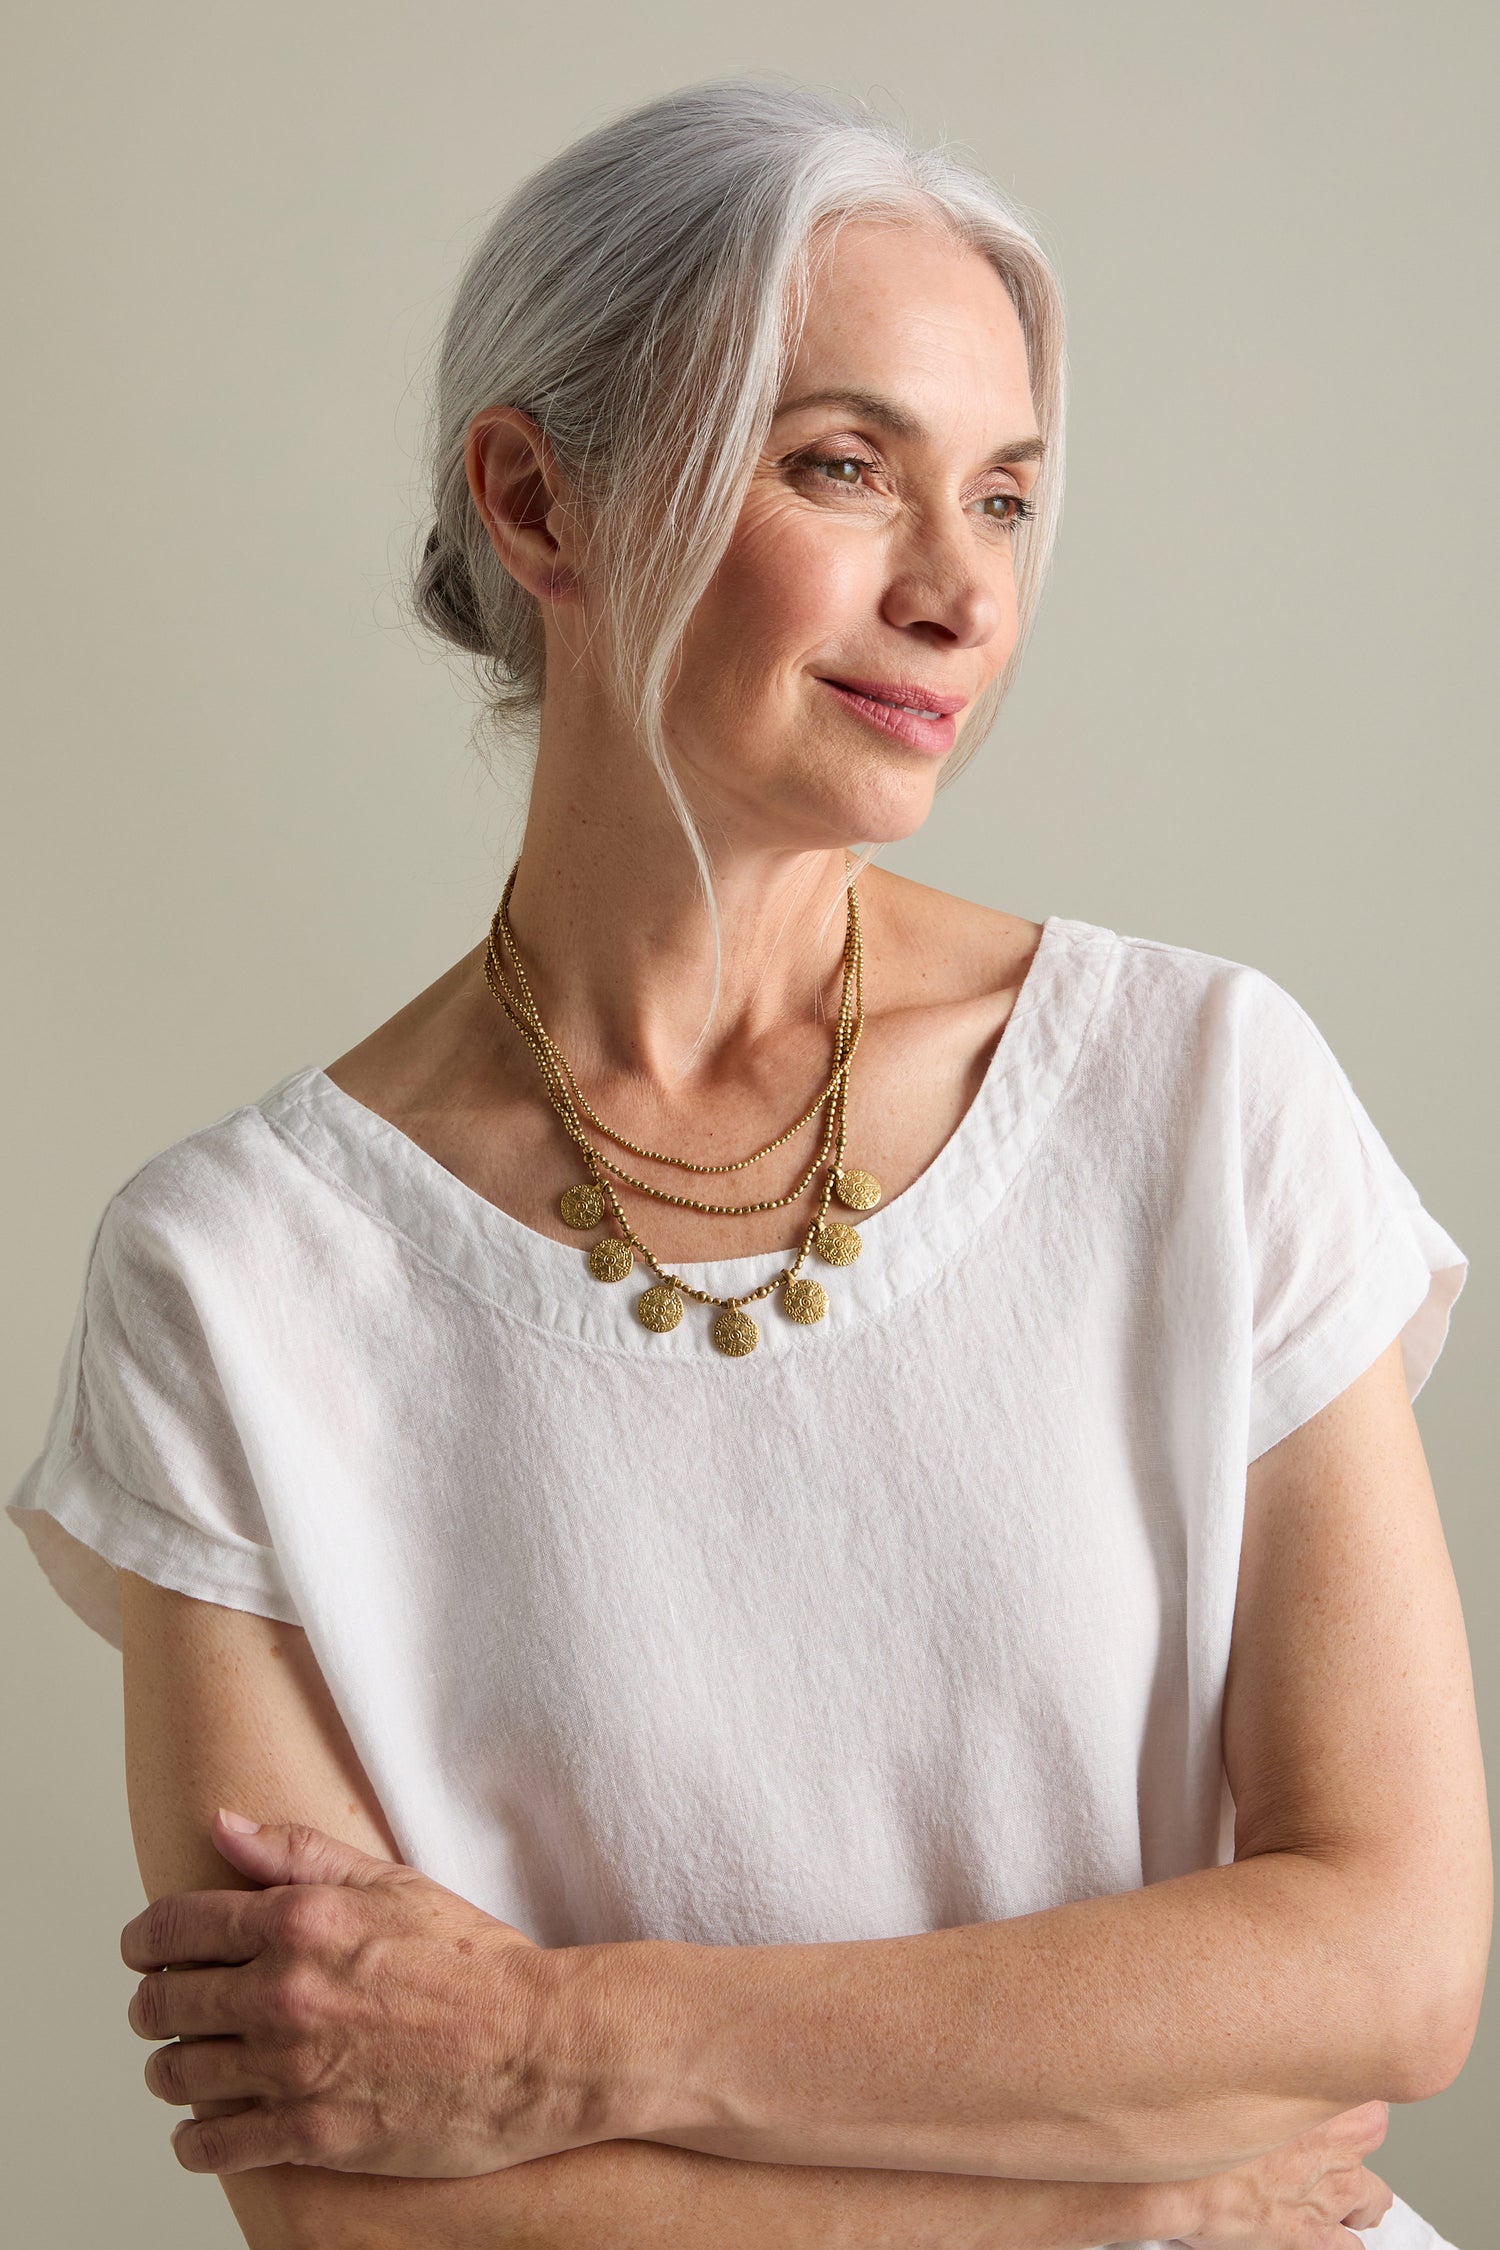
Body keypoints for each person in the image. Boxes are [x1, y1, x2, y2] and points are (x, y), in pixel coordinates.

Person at [8, 73, 1489, 2250]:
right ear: (538, 500)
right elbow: (356, 2204)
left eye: (1003, 498)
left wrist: (558, 2048)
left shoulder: (1201, 1094)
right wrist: (1123, 2209)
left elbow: (1387, 1972)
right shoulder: (232, 1284)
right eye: (842, 468)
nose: (959, 592)